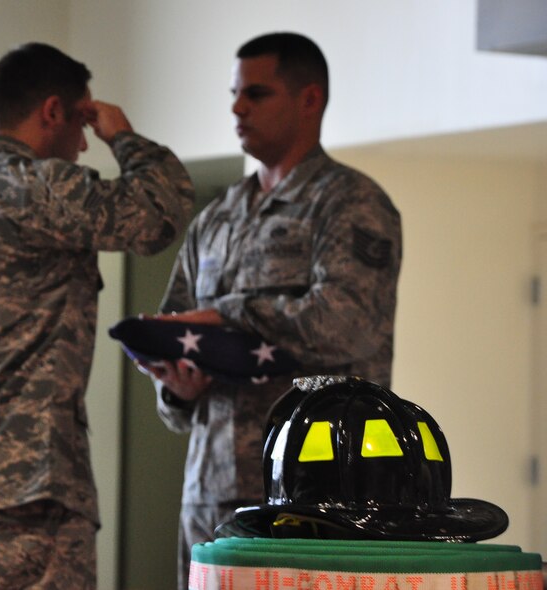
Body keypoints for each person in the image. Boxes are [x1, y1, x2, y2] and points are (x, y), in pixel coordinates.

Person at [0, 42, 194, 589]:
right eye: (81, 122)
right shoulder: (38, 187)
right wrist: (121, 135)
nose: (81, 144)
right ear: (53, 110)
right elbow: (161, 210)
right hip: (28, 498)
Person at [140, 32, 402, 589]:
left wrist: (231, 316)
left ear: (310, 99)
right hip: (212, 496)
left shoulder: (350, 202)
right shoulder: (215, 220)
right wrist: (175, 390)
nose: (237, 107)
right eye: (234, 93)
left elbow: (348, 321)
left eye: (256, 93)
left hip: (318, 494)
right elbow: (179, 338)